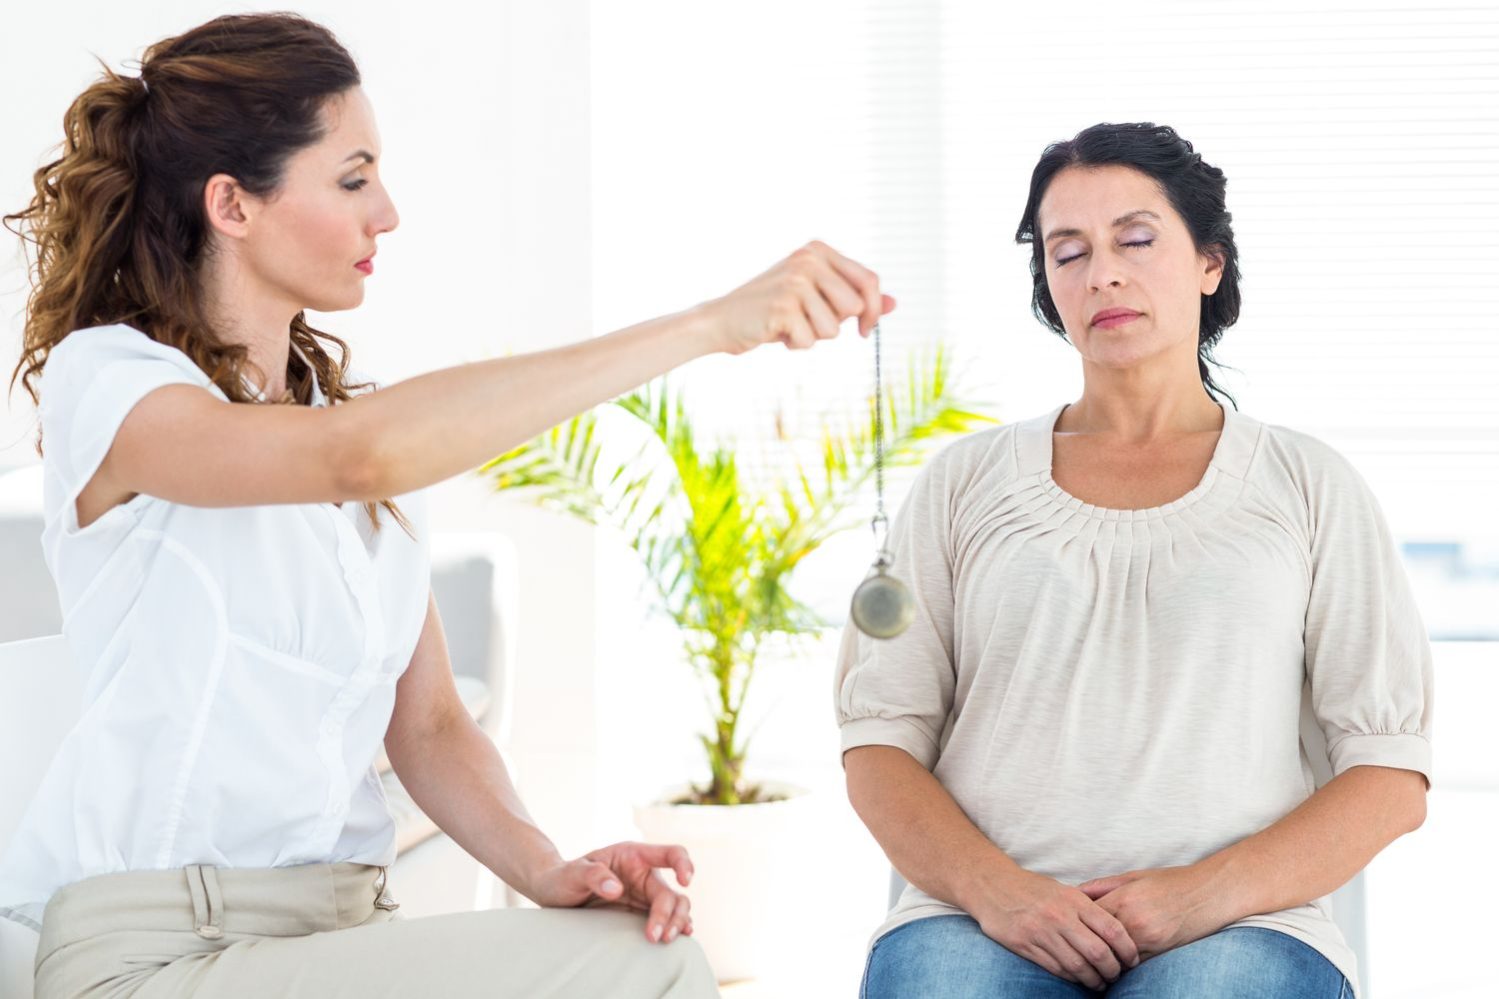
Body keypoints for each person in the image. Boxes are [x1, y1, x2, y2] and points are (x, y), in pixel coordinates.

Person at [0, 12, 894, 999]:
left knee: (641, 956)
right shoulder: (115, 384)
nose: (387, 213)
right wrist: (710, 326)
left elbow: (426, 727)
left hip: (340, 930)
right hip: (157, 950)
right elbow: (355, 459)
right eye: (352, 178)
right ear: (233, 204)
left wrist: (548, 870)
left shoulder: (356, 424)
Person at [835, 122, 1432, 999]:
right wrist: (1000, 894)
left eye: (1136, 239)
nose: (1101, 272)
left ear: (1209, 264)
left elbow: (1388, 775)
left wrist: (1198, 897)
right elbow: (878, 740)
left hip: (1241, 927)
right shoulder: (963, 481)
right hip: (980, 917)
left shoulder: (1308, 484)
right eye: (1065, 251)